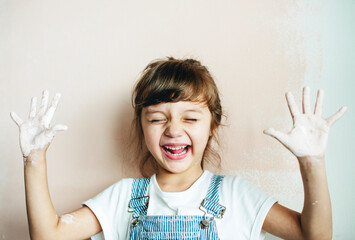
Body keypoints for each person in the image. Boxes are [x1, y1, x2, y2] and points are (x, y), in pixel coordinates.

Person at [10, 57, 347, 240]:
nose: (173, 130)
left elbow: (314, 236)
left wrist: (311, 161)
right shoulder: (124, 198)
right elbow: (47, 235)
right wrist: (34, 159)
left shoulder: (236, 196)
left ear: (212, 125)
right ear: (141, 126)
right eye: (157, 118)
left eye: (190, 118)